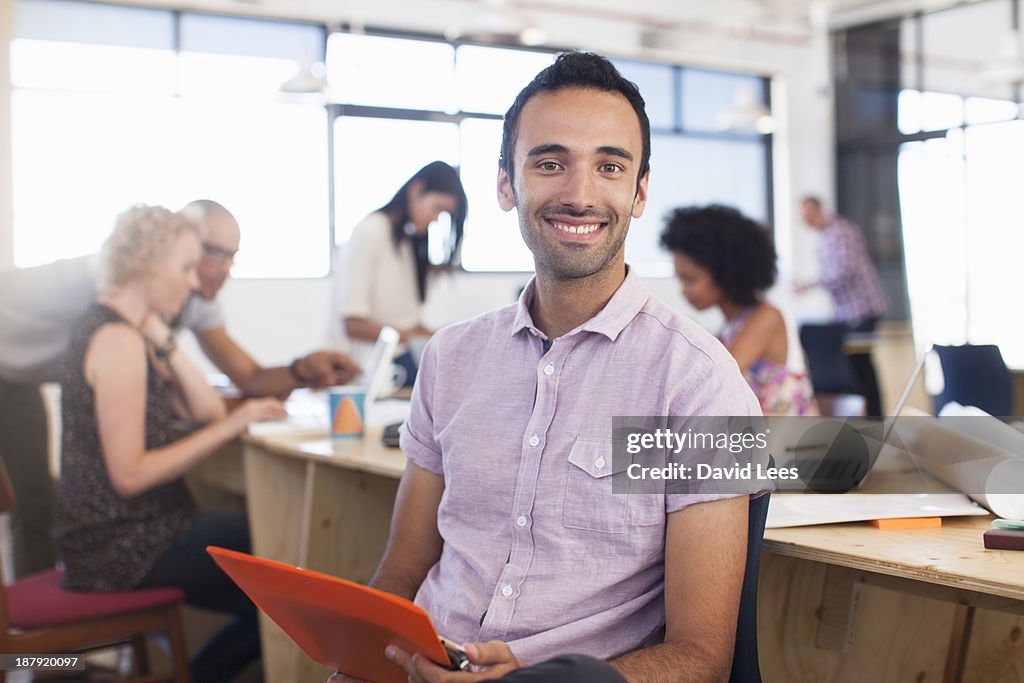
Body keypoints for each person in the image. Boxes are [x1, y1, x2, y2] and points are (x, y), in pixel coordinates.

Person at [330, 52, 767, 683]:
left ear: (639, 191)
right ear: (507, 184)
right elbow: (402, 569)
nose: (580, 194)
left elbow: (702, 658)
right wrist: (358, 662)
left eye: (610, 166)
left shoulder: (700, 384)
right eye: (550, 162)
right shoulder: (450, 360)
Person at [0, 199, 358, 579]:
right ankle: (39, 627)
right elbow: (128, 471)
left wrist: (299, 370)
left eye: (231, 257)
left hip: (119, 525)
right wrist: (233, 421)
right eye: (209, 254)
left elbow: (240, 382)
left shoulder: (163, 307)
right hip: (8, 368)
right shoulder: (106, 305)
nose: (220, 270)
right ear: (157, 254)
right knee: (32, 500)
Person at [54, 205, 287, 682]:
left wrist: (159, 330)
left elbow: (204, 408)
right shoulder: (117, 340)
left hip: (131, 536)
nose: (190, 282)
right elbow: (131, 473)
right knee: (286, 568)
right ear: (144, 265)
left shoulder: (127, 329)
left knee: (278, 571)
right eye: (183, 268)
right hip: (123, 546)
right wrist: (232, 424)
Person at [661, 204, 816, 417]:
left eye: (691, 280)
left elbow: (714, 381)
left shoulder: (766, 317)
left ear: (725, 274)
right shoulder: (728, 328)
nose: (683, 291)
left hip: (784, 444)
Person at [334, 161, 468, 360]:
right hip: (357, 369)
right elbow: (353, 324)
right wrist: (425, 337)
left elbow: (408, 322)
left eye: (443, 214)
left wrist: (446, 335)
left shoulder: (406, 242)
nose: (435, 218)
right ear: (416, 190)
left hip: (392, 365)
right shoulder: (371, 232)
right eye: (437, 208)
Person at [796, 196, 887, 416]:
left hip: (862, 309)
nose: (806, 221)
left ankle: (875, 418)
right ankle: (867, 416)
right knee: (855, 367)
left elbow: (845, 269)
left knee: (861, 366)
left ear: (818, 210)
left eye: (808, 215)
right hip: (846, 312)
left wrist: (811, 283)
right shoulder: (824, 236)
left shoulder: (840, 231)